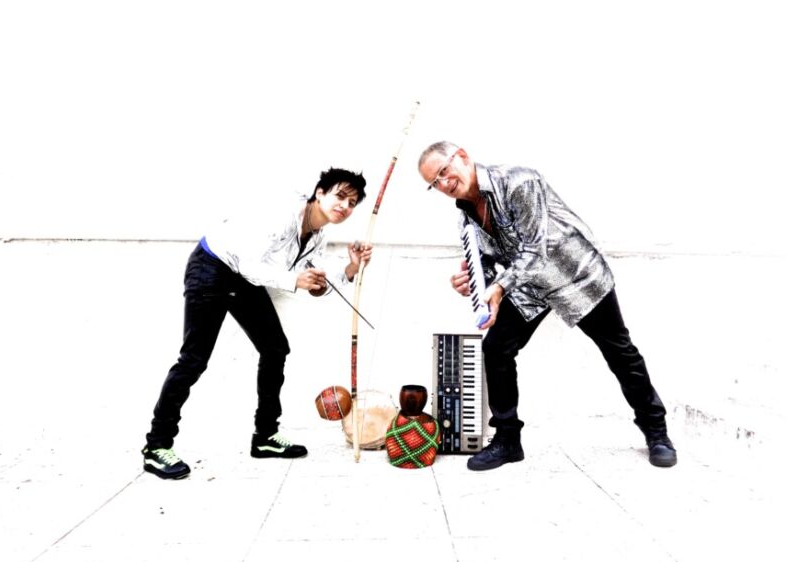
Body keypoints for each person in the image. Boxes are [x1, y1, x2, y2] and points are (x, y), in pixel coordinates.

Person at [417, 141, 677, 471]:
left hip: (576, 274)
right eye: (434, 182)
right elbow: (487, 263)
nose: (444, 183)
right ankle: (508, 440)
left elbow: (535, 250)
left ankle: (657, 432)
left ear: (463, 157)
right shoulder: (465, 218)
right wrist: (474, 281)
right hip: (527, 286)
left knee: (620, 352)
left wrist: (499, 286)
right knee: (496, 348)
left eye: (444, 171)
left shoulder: (519, 181)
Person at [141, 167, 371, 479]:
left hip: (243, 278)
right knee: (193, 359)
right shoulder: (282, 214)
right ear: (319, 192)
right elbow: (250, 265)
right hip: (211, 267)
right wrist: (295, 279)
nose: (345, 206)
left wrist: (351, 268)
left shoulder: (317, 237)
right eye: (340, 196)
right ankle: (156, 447)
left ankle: (265, 437)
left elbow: (318, 285)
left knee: (275, 349)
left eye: (352, 203)